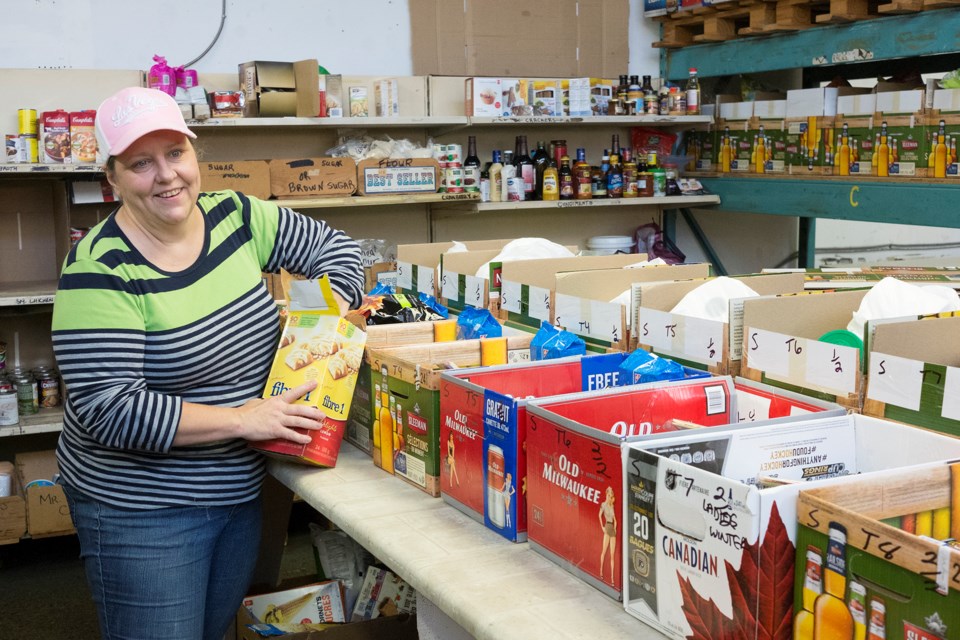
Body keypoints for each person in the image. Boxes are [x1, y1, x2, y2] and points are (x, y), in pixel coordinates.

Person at [51, 87, 364, 640]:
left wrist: (319, 324)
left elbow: (336, 249)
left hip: (239, 487)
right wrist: (244, 420)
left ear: (196, 156)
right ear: (113, 178)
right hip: (142, 509)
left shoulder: (235, 217)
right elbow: (108, 409)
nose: (167, 175)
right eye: (141, 163)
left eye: (176, 153)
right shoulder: (99, 268)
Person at [598, 486, 617, 583]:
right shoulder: (603, 505)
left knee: (612, 554)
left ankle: (612, 578)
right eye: (609, 495)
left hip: (612, 529)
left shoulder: (611, 506)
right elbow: (599, 515)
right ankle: (601, 570)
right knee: (604, 551)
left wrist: (615, 528)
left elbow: (615, 519)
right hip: (607, 527)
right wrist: (602, 526)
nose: (610, 497)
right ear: (606, 494)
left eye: (611, 495)